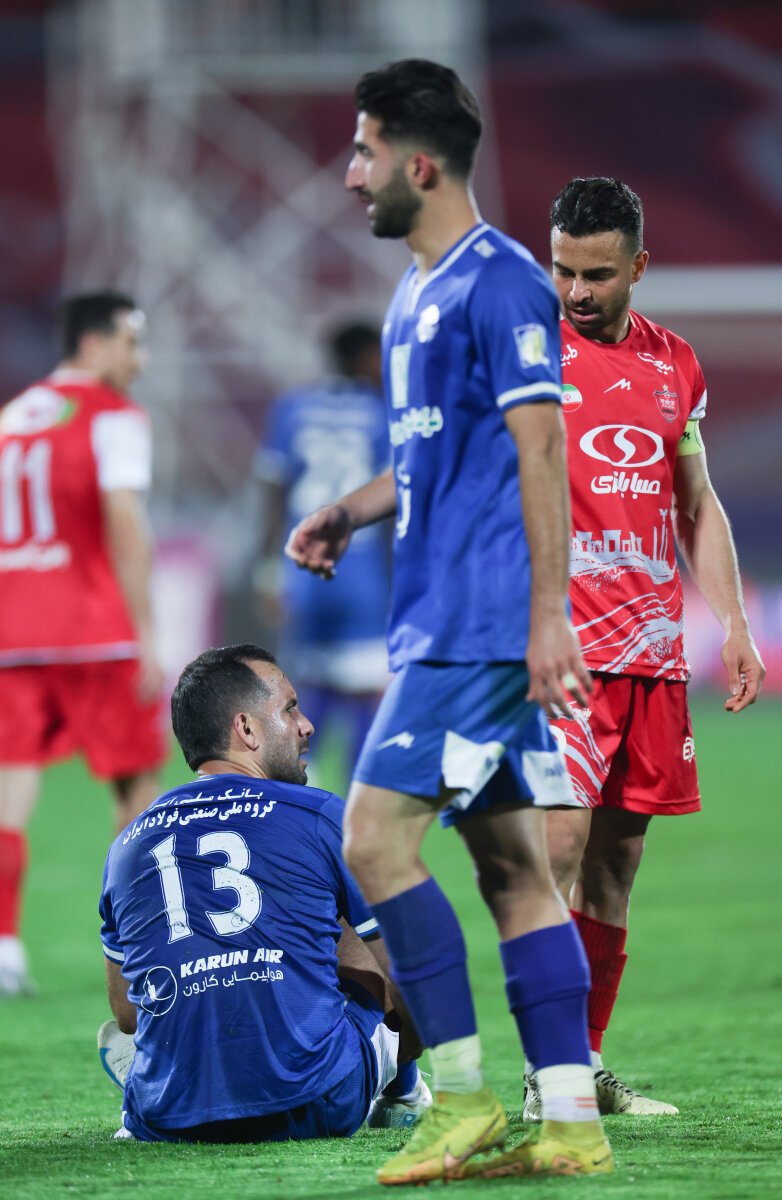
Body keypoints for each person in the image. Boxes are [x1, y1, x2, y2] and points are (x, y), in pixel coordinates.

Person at [286, 60, 614, 1183]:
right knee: (514, 870)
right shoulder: (412, 294)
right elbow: (430, 459)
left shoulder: (501, 283)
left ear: (418, 164)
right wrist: (349, 509)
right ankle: (570, 1123)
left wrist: (545, 618)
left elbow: (541, 448)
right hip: (442, 620)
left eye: (364, 152)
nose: (350, 175)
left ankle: (462, 1099)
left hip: (478, 630)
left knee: (372, 841)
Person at [521, 177, 765, 1121]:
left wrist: (733, 622)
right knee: (558, 844)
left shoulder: (676, 365)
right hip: (560, 651)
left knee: (614, 869)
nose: (576, 291)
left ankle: (582, 1066)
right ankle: (546, 1074)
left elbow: (695, 504)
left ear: (639, 268)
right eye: (563, 270)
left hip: (653, 652)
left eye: (597, 274)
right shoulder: (526, 352)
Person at [97, 644, 430, 1143]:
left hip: (166, 1118)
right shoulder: (321, 815)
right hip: (317, 1103)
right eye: (290, 708)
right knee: (359, 920)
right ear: (246, 729)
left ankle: (174, 1073)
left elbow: (126, 1015)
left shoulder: (126, 845)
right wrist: (411, 1045)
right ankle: (403, 1094)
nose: (306, 725)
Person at [0, 291, 167, 998]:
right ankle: (142, 946)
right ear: (94, 344)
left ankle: (4, 947)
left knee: (10, 791)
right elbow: (124, 523)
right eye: (132, 343)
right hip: (95, 633)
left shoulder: (13, 417)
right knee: (137, 788)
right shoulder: (113, 415)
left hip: (13, 633)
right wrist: (148, 632)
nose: (141, 359)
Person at [252, 322, 391, 789]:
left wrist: (268, 570)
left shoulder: (292, 406)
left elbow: (274, 492)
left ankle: (291, 798)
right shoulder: (380, 411)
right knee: (367, 696)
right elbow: (392, 499)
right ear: (362, 358)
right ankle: (355, 807)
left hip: (301, 569)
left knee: (300, 696)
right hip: (361, 570)